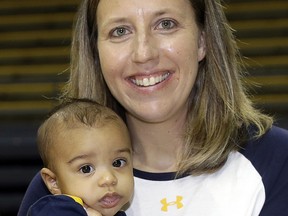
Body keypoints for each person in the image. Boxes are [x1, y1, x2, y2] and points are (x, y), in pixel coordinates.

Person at [18, 0, 288, 215]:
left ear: (202, 42)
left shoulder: (277, 161)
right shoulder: (61, 188)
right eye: (120, 31)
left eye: (166, 24)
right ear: (96, 53)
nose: (144, 53)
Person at [27, 99, 134, 216]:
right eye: (86, 169)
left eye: (118, 163)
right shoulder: (55, 210)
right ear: (54, 182)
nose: (109, 179)